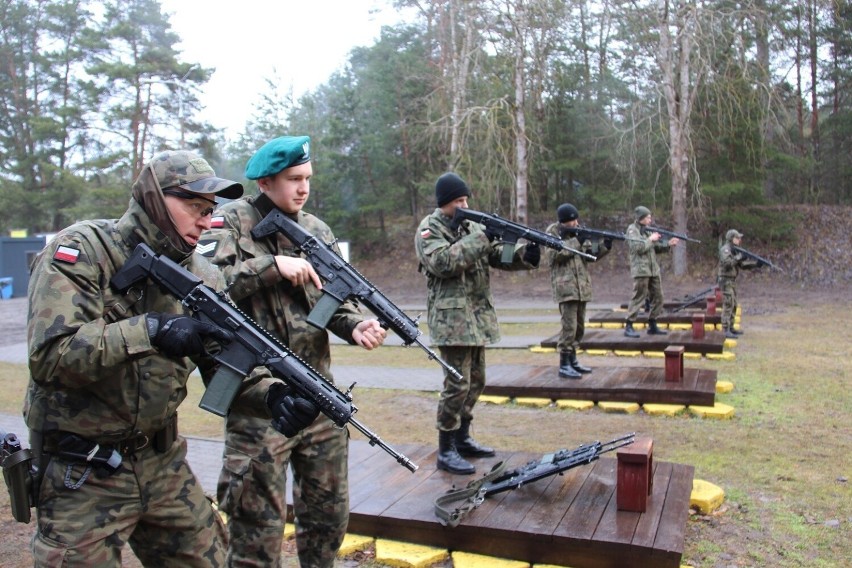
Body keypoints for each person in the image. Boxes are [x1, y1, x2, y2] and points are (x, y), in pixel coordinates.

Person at [24, 151, 250, 566]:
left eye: (211, 211)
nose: (206, 221)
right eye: (195, 208)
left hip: (163, 463)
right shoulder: (82, 251)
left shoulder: (205, 274)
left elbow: (226, 366)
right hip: (83, 472)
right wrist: (152, 330)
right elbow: (51, 357)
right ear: (153, 199)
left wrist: (274, 397)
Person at [200, 135, 386, 567]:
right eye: (293, 179)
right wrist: (270, 267)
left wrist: (357, 324)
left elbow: (331, 301)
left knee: (328, 517)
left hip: (319, 399)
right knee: (255, 529)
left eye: (308, 179)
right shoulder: (226, 224)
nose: (303, 188)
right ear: (265, 183)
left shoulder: (316, 230)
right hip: (259, 406)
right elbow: (204, 284)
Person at [414, 172, 540, 475]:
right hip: (452, 320)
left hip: (476, 318)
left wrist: (527, 253)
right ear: (444, 203)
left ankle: (463, 437)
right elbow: (443, 263)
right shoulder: (430, 230)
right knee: (456, 385)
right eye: (459, 201)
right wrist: (483, 236)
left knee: (476, 380)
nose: (465, 205)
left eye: (466, 199)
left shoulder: (469, 226)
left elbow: (499, 257)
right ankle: (446, 448)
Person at [545, 204, 611, 378]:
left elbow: (591, 256)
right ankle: (564, 364)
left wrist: (605, 246)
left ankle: (573, 361)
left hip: (581, 287)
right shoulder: (552, 233)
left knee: (579, 328)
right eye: (572, 220)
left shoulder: (578, 232)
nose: (576, 223)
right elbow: (553, 256)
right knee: (569, 327)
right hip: (566, 288)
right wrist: (577, 241)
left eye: (576, 219)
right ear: (564, 222)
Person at [623, 206, 679, 338]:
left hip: (653, 270)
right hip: (641, 270)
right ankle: (629, 325)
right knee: (639, 297)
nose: (650, 219)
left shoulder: (647, 231)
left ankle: (653, 323)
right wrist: (651, 239)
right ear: (641, 218)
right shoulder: (632, 230)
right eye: (647, 217)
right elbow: (637, 247)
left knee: (659, 297)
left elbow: (655, 248)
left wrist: (668, 244)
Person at [718, 229, 758, 338]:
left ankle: (731, 327)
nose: (739, 240)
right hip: (725, 280)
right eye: (737, 238)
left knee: (734, 303)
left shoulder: (734, 250)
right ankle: (725, 329)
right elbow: (727, 263)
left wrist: (755, 264)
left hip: (732, 280)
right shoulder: (725, 250)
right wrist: (739, 257)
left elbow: (742, 265)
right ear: (731, 238)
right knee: (728, 303)